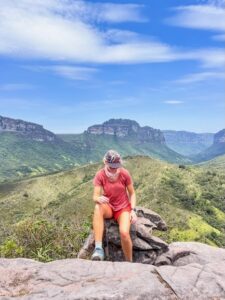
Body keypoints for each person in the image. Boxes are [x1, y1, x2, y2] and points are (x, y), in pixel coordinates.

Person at [91, 149, 137, 262]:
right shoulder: (100, 175)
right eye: (111, 166)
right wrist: (98, 198)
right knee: (97, 207)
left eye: (116, 166)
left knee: (124, 233)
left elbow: (132, 193)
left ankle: (129, 262)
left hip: (123, 208)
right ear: (105, 162)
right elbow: (95, 196)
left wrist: (133, 210)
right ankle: (98, 249)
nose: (114, 169)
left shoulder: (124, 173)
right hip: (109, 207)